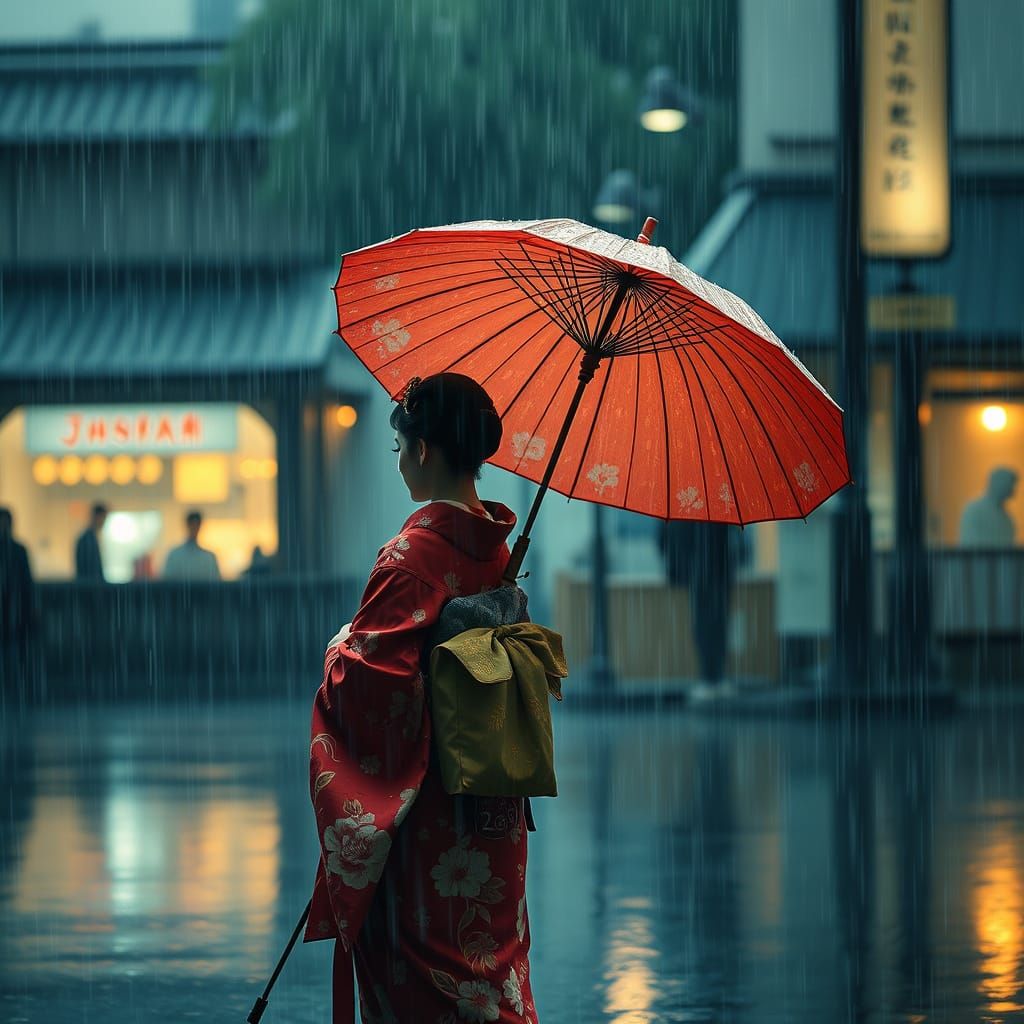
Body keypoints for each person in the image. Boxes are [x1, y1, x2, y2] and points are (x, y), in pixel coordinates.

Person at [305, 373, 539, 1023]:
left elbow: (369, 695)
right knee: (489, 971)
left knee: (425, 976)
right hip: (489, 803)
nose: (401, 460)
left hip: (428, 812)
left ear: (425, 450)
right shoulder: (497, 553)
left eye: (401, 446)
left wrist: (338, 648)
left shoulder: (410, 557)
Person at [658, 518, 741, 702]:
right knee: (715, 622)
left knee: (707, 622)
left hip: (702, 568)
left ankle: (710, 676)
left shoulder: (681, 504)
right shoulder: (719, 504)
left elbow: (665, 538)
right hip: (714, 569)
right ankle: (713, 676)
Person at [1, 507, 36, 688]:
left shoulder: (17, 551)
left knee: (13, 647)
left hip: (13, 608)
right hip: (14, 608)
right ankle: (16, 685)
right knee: (14, 648)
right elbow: (26, 581)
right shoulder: (18, 550)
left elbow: (26, 581)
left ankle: (13, 684)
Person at [959, 467, 1019, 548]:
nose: (1012, 490)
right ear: (998, 483)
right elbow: (969, 545)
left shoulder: (1008, 519)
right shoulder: (974, 511)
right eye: (1010, 485)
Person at [163, 511, 221, 581]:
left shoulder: (209, 558)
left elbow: (216, 582)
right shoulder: (174, 555)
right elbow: (167, 581)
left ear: (200, 527)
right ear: (187, 526)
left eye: (196, 525)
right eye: (192, 525)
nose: (194, 528)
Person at [74, 502, 107, 581]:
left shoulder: (89, 538)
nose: (104, 522)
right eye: (103, 518)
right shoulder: (87, 539)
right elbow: (91, 570)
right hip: (90, 587)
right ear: (97, 517)